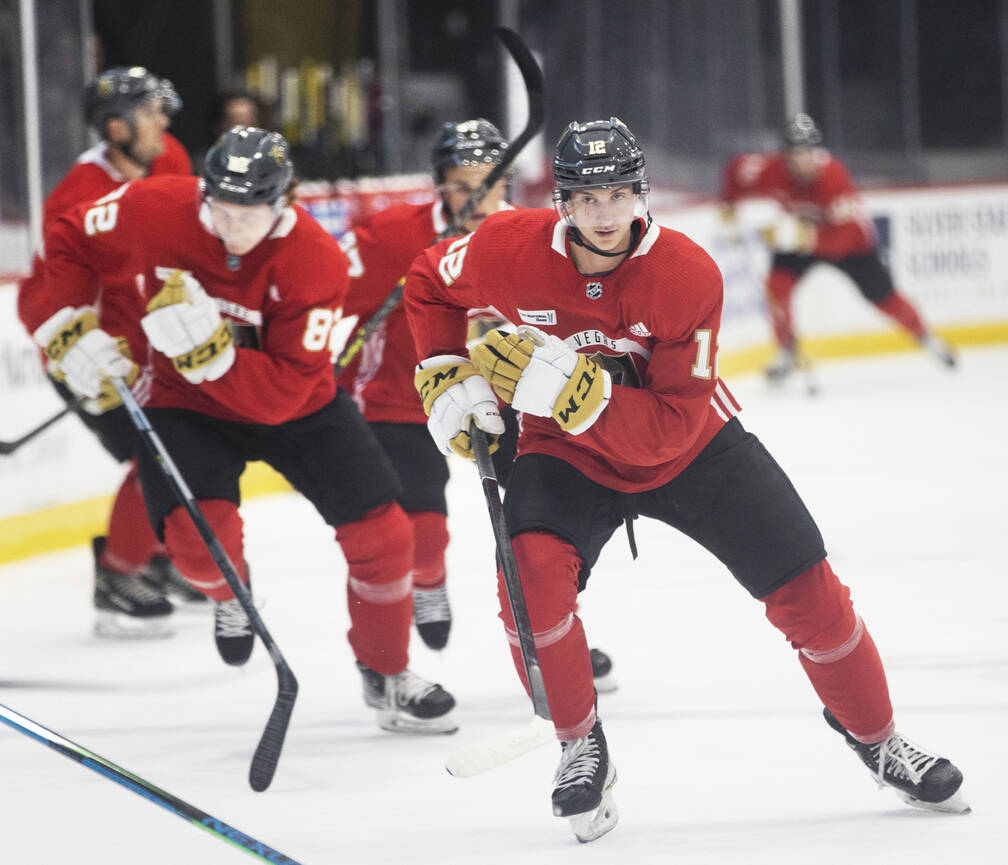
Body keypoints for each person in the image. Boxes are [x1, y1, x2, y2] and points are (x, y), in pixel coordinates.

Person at [403, 119, 968, 841]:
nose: (604, 215)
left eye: (617, 194)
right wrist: (444, 369)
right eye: (586, 198)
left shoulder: (686, 272)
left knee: (808, 589)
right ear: (562, 204)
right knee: (527, 580)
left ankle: (880, 737)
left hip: (690, 444)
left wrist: (582, 392)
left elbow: (671, 425)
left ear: (640, 193)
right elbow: (428, 281)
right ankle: (580, 743)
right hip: (565, 448)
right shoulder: (503, 249)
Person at [23, 126, 457, 733]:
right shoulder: (154, 206)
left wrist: (215, 357)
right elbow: (68, 233)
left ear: (285, 202)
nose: (229, 227)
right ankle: (230, 592)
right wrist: (68, 322)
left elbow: (282, 393)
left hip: (295, 403)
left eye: (247, 215)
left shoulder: (315, 261)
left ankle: (385, 672)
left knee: (385, 537)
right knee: (201, 551)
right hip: (183, 403)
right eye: (218, 209)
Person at [337, 118, 618, 691]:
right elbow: (318, 290)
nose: (476, 197)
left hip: (512, 404)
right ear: (440, 186)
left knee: (538, 534)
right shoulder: (390, 235)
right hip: (405, 400)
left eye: (487, 183)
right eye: (462, 185)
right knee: (422, 531)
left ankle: (552, 639)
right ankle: (428, 576)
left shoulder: (535, 237)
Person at [17, 65, 204, 639]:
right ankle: (118, 575)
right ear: (118, 129)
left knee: (190, 440)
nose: (164, 121)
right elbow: (46, 298)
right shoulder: (77, 198)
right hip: (86, 349)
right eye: (150, 113)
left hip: (147, 343)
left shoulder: (168, 157)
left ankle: (155, 554)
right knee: (160, 450)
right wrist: (77, 348)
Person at [721, 113, 956, 381]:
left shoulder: (834, 177)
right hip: (799, 236)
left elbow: (842, 239)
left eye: (809, 152)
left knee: (885, 298)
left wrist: (802, 238)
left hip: (851, 247)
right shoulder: (770, 170)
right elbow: (734, 170)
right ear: (786, 156)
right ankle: (786, 349)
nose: (805, 160)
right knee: (777, 287)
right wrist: (728, 209)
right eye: (798, 154)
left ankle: (924, 336)